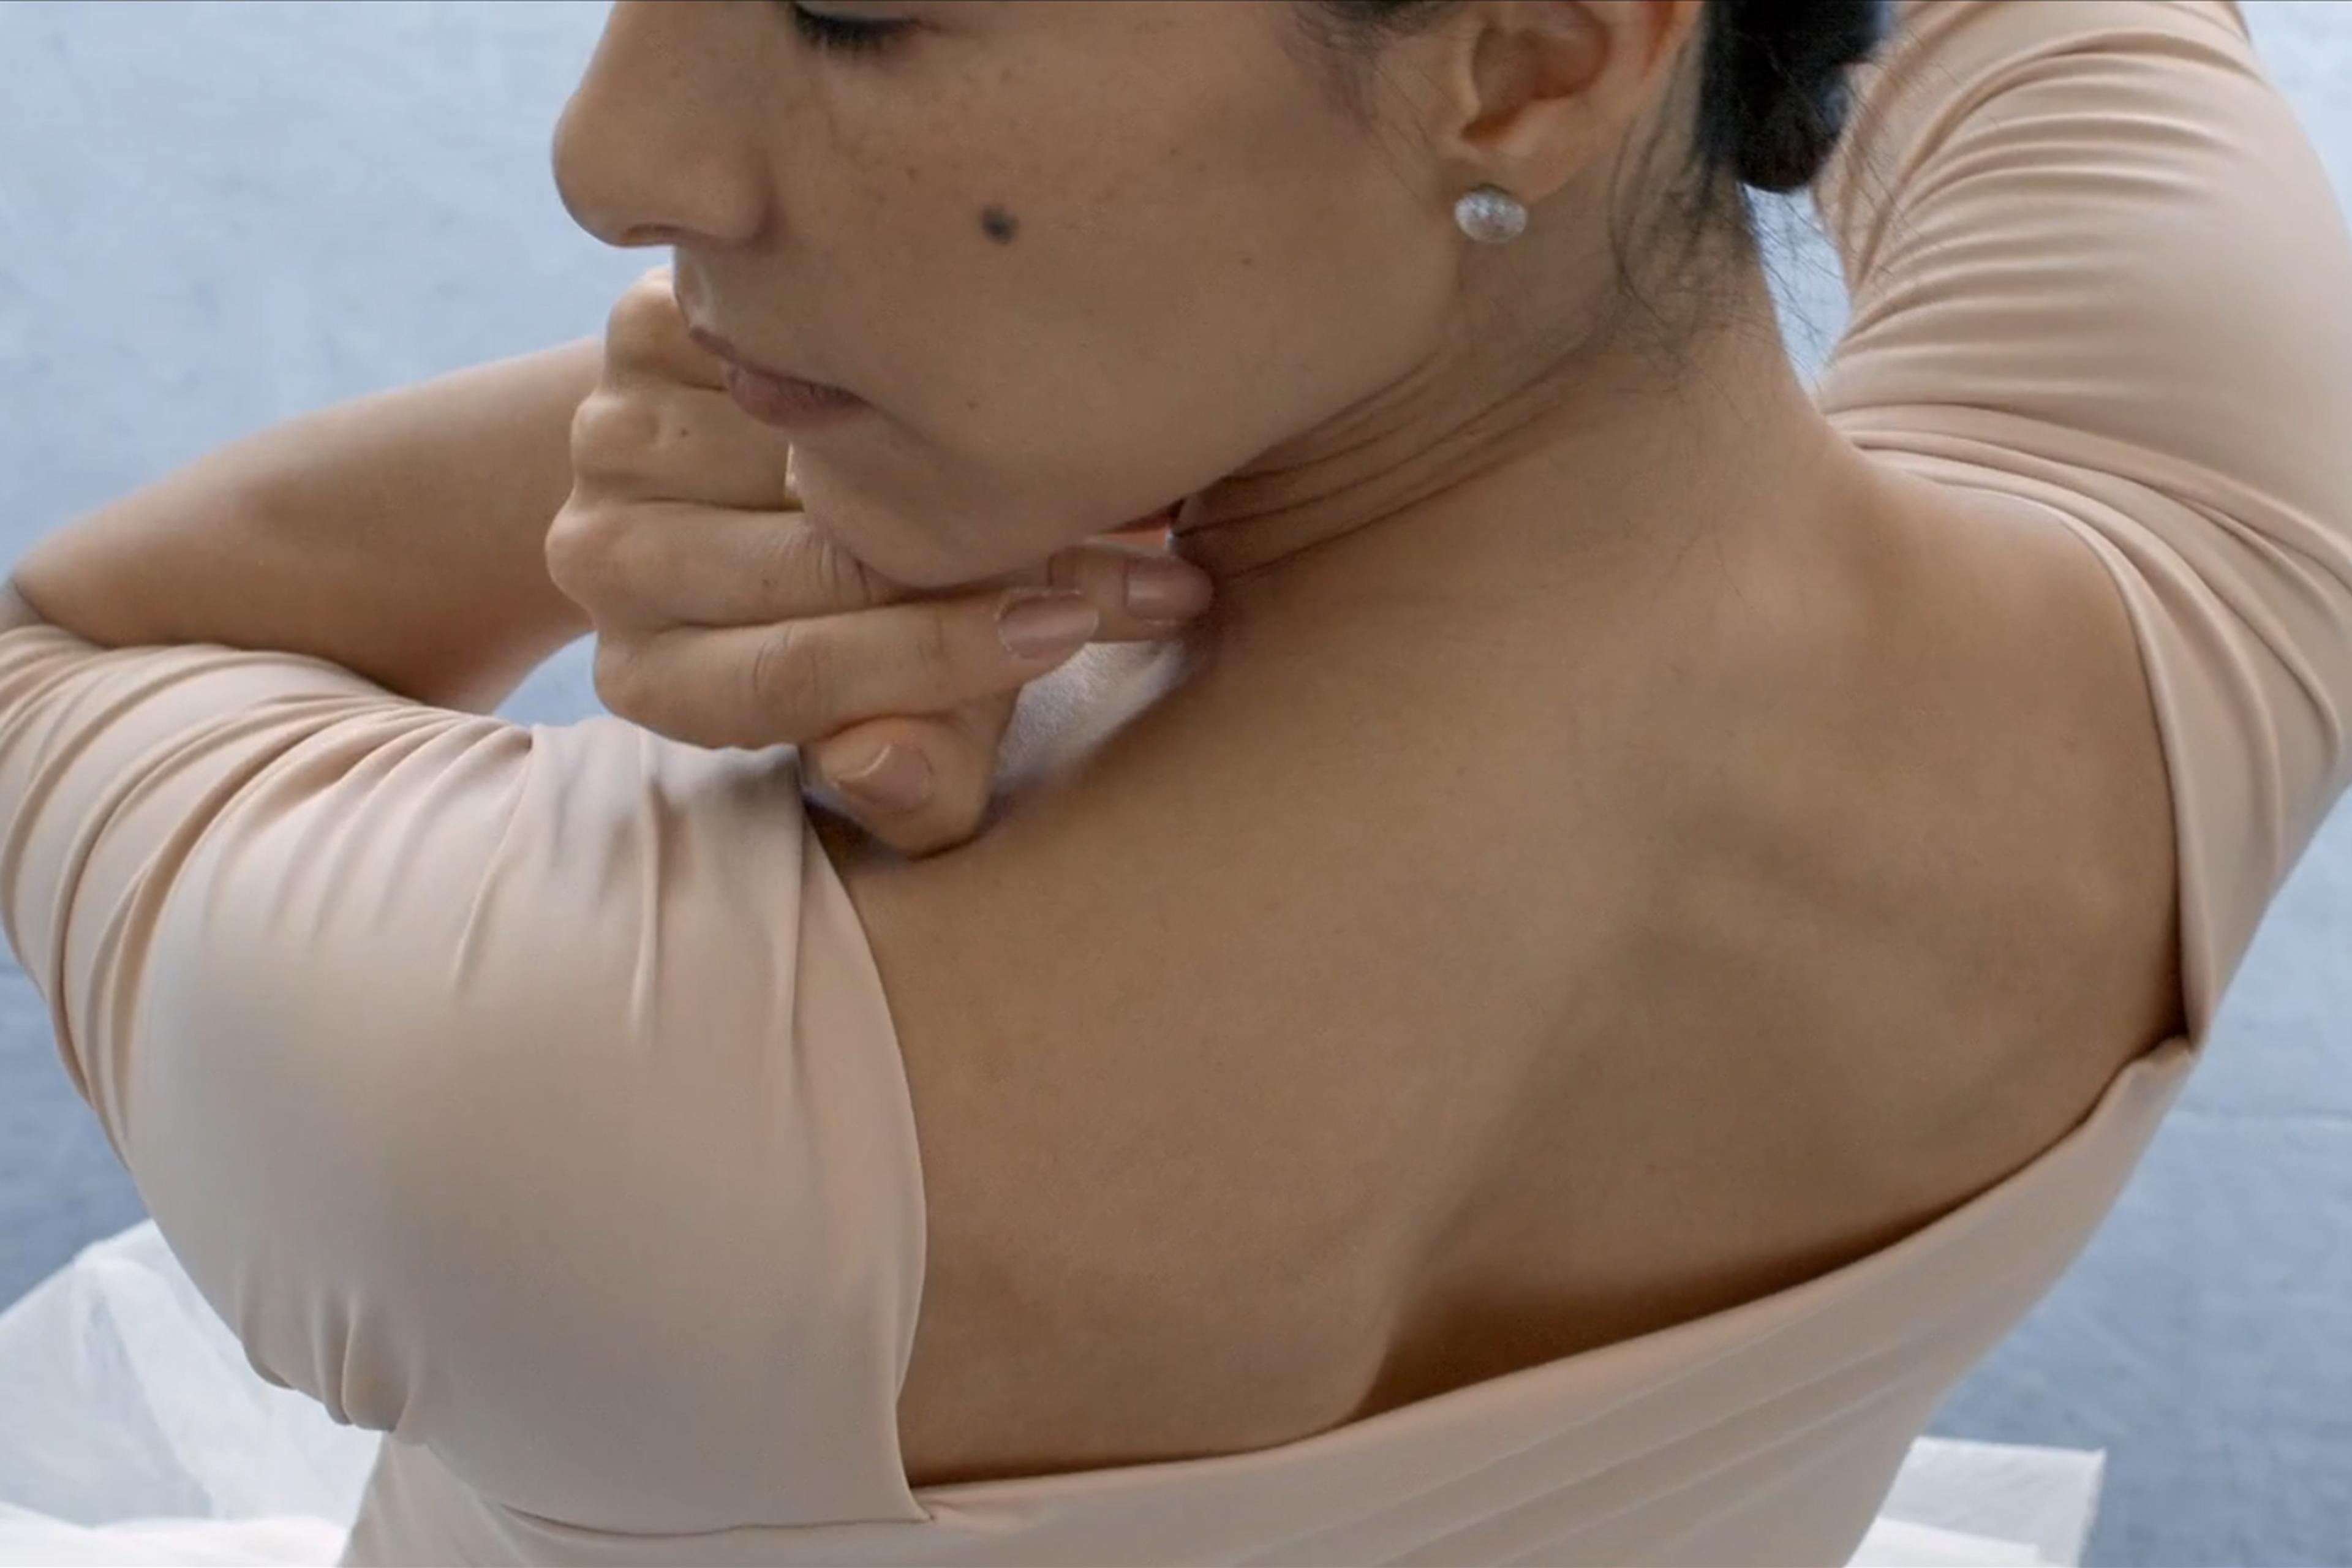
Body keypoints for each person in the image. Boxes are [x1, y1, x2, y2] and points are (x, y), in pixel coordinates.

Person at [0, 0, 2346, 1562]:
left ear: (1527, 50)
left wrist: (687, 429)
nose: (612, 151)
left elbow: (74, 651)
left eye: (855, 1)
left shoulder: (515, 1088)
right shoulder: (2234, 548)